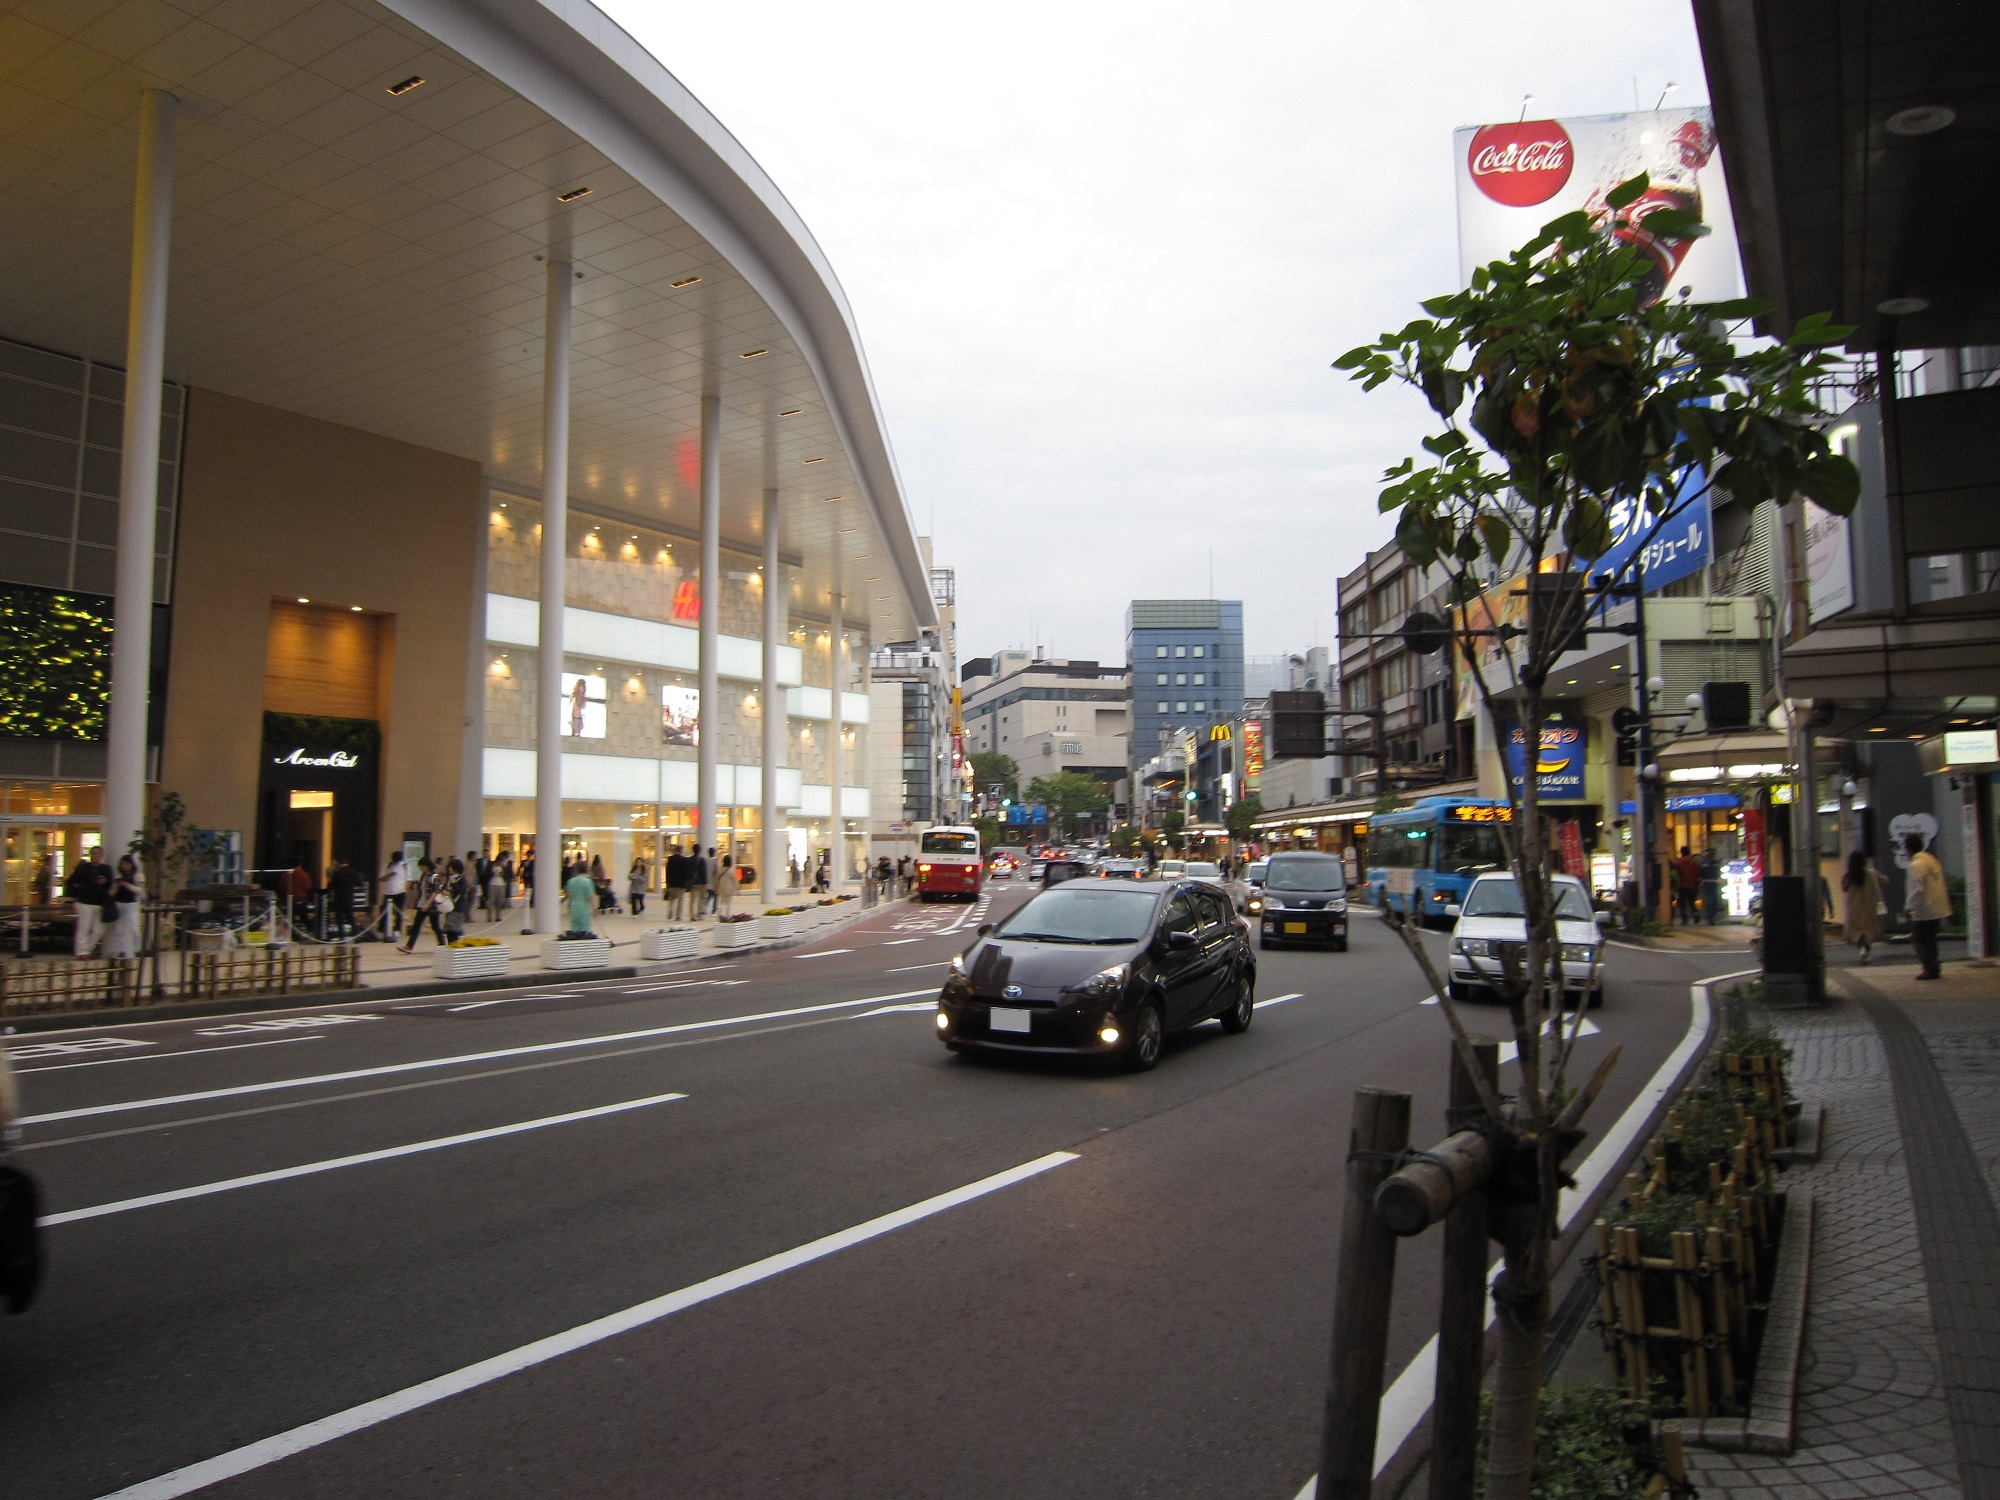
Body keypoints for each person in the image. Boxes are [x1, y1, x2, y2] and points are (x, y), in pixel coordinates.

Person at [1903, 832, 1950, 980]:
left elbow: (1917, 889)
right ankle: (1934, 967)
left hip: (1923, 910)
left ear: (1908, 849)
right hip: (1936, 908)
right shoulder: (1931, 860)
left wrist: (1908, 908)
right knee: (1930, 940)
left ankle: (1929, 968)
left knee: (1921, 941)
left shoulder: (1916, 865)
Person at [1841, 849, 1886, 964]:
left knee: (1858, 932)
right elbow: (1885, 881)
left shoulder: (1848, 876)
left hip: (1854, 909)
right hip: (1869, 907)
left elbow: (1844, 888)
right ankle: (1865, 949)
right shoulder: (1871, 873)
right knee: (1868, 931)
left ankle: (1862, 949)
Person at [65, 846, 110, 957]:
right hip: (85, 902)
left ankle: (88, 949)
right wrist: (79, 891)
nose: (95, 856)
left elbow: (109, 884)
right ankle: (81, 952)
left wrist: (104, 883)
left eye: (98, 854)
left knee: (98, 930)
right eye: (93, 853)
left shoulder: (106, 869)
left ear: (101, 855)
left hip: (99, 903)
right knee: (84, 927)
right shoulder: (83, 868)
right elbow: (71, 882)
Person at [399, 857, 447, 952]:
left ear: (426, 866)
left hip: (432, 906)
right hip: (422, 904)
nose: (421, 868)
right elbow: (422, 891)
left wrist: (428, 903)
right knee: (416, 925)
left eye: (422, 866)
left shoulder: (435, 876)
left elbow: (435, 891)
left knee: (435, 926)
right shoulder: (423, 876)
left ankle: (442, 945)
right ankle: (409, 946)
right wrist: (416, 888)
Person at [102, 854, 143, 959]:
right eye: (123, 864)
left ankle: (137, 949)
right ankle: (120, 951)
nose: (125, 866)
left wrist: (127, 885)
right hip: (119, 903)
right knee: (119, 929)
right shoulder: (118, 876)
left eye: (127, 864)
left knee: (134, 928)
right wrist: (115, 887)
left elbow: (139, 891)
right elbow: (112, 892)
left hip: (132, 904)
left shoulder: (137, 876)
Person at [327, 859, 360, 939]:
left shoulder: (337, 873)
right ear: (348, 863)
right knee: (351, 918)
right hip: (349, 897)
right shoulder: (353, 873)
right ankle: (356, 935)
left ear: (339, 864)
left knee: (339, 919)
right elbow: (359, 883)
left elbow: (332, 886)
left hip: (339, 898)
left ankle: (342, 936)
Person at [378, 851, 407, 942]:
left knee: (398, 912)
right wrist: (390, 874)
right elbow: (380, 879)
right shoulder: (387, 866)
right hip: (388, 892)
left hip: (400, 892)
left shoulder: (404, 866)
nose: (398, 862)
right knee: (384, 911)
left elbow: (408, 879)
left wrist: (406, 890)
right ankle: (383, 930)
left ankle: (397, 930)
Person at [565, 861, 597, 935]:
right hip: (584, 909)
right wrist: (595, 908)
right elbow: (591, 897)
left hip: (573, 908)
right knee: (584, 930)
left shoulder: (571, 881)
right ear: (586, 870)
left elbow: (569, 895)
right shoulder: (587, 882)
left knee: (575, 930)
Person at [1672, 846, 1700, 925]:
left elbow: (1676, 875)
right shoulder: (1694, 862)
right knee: (1692, 902)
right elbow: (1697, 874)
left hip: (1682, 886)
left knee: (1682, 904)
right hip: (1692, 885)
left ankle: (1684, 919)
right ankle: (1695, 914)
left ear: (1681, 852)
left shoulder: (1678, 863)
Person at [664, 844, 690, 921]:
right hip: (681, 884)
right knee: (680, 900)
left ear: (675, 850)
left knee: (672, 899)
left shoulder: (670, 859)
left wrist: (667, 882)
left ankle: (670, 910)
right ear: (681, 851)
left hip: (672, 883)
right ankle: (678, 916)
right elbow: (686, 873)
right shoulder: (685, 860)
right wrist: (687, 882)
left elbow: (667, 871)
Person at [1698, 850, 1724, 926]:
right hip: (1709, 885)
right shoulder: (1708, 865)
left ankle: (1711, 917)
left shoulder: (1713, 864)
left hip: (1712, 884)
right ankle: (1710, 917)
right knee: (1710, 901)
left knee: (1713, 901)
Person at [687, 845, 711, 917]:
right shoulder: (702, 860)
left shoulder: (689, 860)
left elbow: (687, 872)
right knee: (701, 898)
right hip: (701, 882)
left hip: (693, 882)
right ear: (700, 851)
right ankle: (699, 913)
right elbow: (704, 872)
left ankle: (692, 915)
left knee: (693, 899)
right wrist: (706, 882)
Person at [488, 852, 510, 922]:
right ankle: (490, 916)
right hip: (492, 883)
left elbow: (505, 875)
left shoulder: (503, 866)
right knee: (491, 901)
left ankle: (498, 916)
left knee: (499, 901)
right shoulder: (491, 865)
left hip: (501, 884)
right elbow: (489, 874)